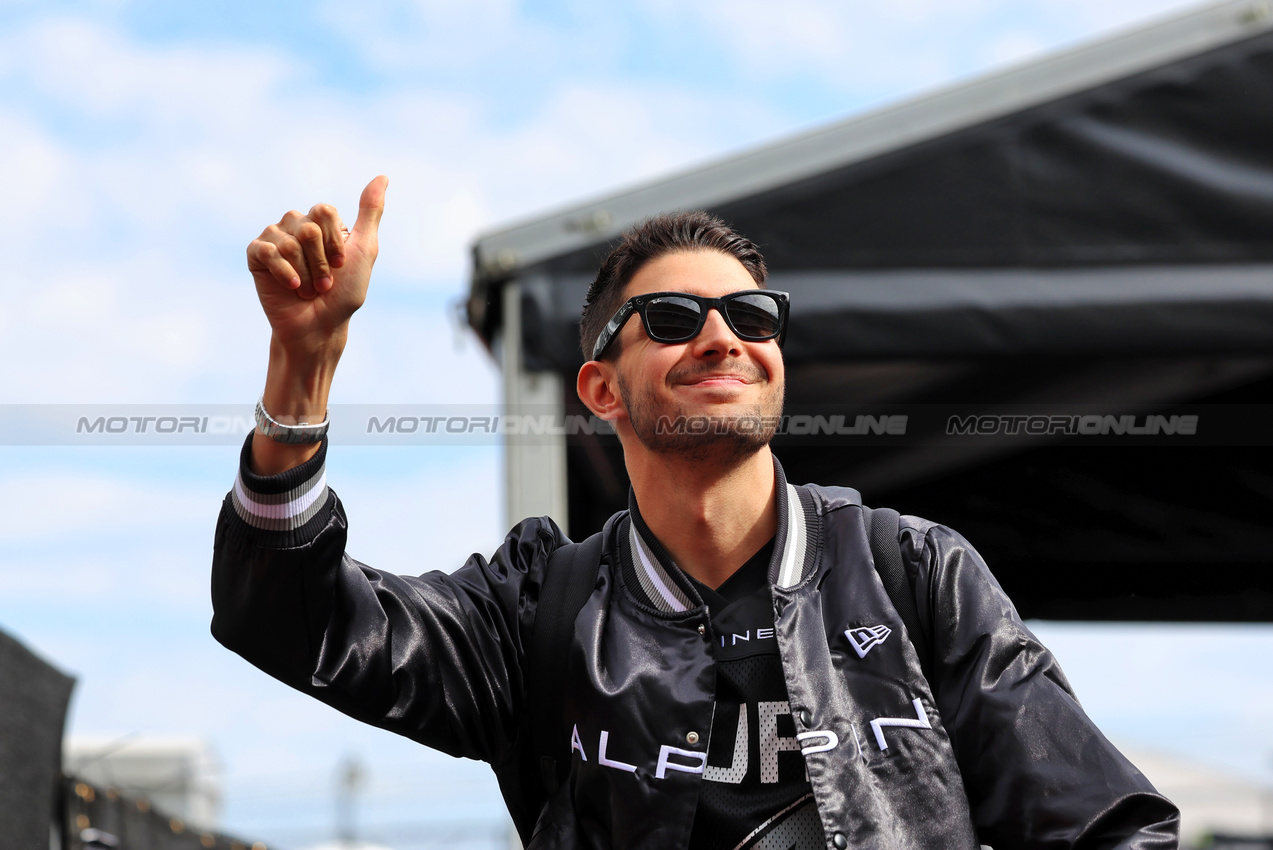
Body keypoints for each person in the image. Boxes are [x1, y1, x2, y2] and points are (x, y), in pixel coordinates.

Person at [212, 176, 1180, 849]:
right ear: (599, 387)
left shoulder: (914, 575)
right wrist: (301, 371)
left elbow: (1109, 828)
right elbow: (293, 618)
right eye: (672, 319)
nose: (722, 337)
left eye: (753, 317)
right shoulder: (539, 607)